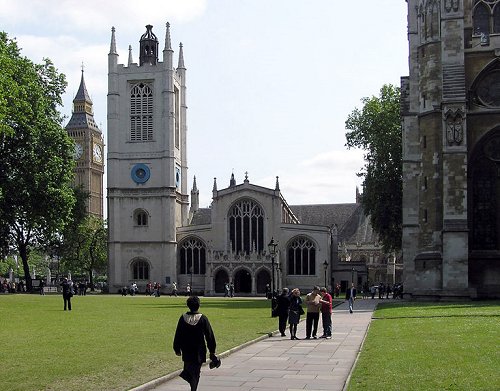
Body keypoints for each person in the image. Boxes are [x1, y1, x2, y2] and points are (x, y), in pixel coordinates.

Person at [173, 296, 219, 391]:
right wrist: (212, 351)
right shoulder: (203, 319)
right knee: (195, 372)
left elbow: (178, 334)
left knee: (189, 368)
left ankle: (192, 386)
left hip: (186, 349)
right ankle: (193, 387)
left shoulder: (183, 318)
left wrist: (176, 348)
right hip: (199, 350)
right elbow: (209, 335)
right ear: (199, 305)